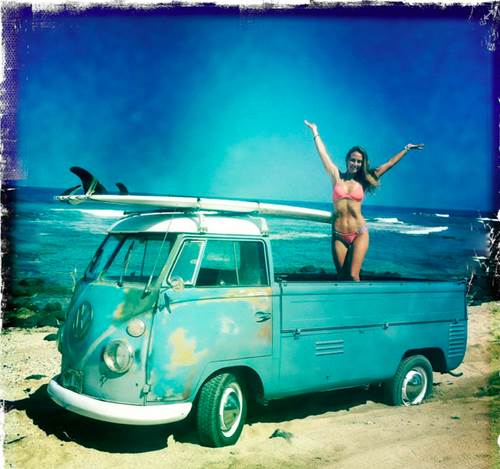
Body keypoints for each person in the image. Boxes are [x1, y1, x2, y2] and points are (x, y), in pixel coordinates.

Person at [304, 120, 424, 281]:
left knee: (353, 276)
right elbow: (323, 154)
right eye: (353, 160)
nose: (355, 164)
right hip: (338, 234)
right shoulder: (336, 176)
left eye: (359, 162)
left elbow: (389, 164)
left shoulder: (364, 180)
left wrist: (406, 149)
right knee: (342, 278)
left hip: (359, 233)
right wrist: (315, 131)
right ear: (347, 160)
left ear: (362, 164)